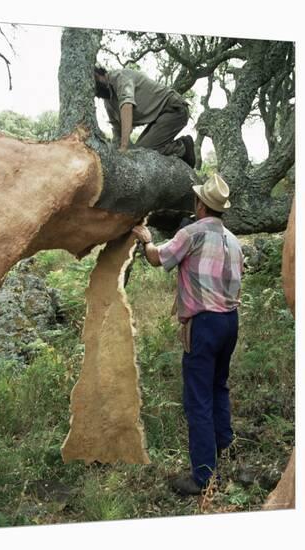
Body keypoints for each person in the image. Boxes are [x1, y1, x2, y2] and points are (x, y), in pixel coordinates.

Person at [132, 174, 243, 496]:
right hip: (230, 322)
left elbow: (157, 259)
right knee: (218, 387)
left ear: (200, 204)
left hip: (205, 324)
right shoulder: (233, 241)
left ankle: (203, 477)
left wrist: (146, 239)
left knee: (198, 398)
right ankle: (225, 448)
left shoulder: (191, 233)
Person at [94, 66, 195, 167]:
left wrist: (124, 147)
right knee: (136, 151)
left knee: (142, 153)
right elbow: (117, 129)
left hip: (174, 109)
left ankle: (182, 147)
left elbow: (127, 106)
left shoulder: (120, 77)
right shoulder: (108, 102)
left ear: (97, 75)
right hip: (157, 119)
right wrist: (116, 154)